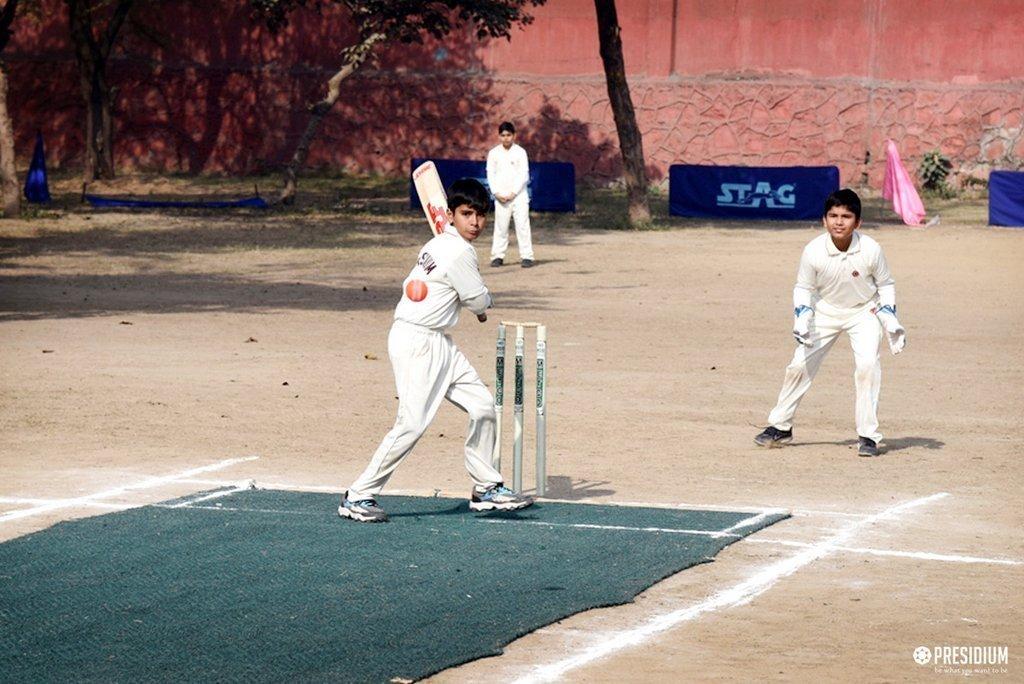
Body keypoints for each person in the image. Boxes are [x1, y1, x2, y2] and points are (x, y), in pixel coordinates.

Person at [339, 178, 533, 523]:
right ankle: (358, 495)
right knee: (411, 423)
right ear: (451, 215)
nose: (475, 223)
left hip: (439, 340)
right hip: (417, 342)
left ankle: (486, 488)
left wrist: (472, 299)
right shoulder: (457, 251)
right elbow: (477, 299)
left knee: (482, 406)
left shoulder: (441, 243)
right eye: (466, 214)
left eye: (480, 215)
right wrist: (482, 303)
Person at [754, 188, 906, 457]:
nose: (839, 221)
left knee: (868, 367)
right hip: (825, 311)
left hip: (864, 313)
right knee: (798, 365)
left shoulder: (871, 248)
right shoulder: (813, 251)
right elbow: (803, 287)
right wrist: (802, 315)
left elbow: (886, 284)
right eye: (833, 215)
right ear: (824, 220)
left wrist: (890, 317)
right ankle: (780, 426)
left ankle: (868, 436)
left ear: (857, 222)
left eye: (846, 216)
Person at [487, 121, 535, 268]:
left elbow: (524, 175)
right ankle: (497, 256)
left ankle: (527, 256)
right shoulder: (494, 153)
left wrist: (513, 193)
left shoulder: (520, 152)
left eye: (508, 135)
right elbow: (491, 174)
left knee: (522, 226)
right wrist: (496, 193)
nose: (506, 138)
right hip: (501, 197)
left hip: (519, 196)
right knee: (501, 227)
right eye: (503, 135)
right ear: (499, 136)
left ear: (514, 135)